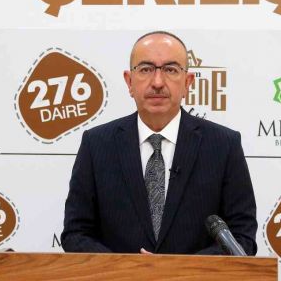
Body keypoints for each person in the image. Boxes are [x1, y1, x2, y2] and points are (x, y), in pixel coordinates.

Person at [61, 31, 257, 255]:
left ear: (188, 82)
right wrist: (129, 269)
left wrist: (177, 270)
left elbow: (242, 238)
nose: (157, 82)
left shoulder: (224, 145)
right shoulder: (96, 144)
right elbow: (75, 234)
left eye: (170, 70)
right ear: (129, 81)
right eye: (146, 69)